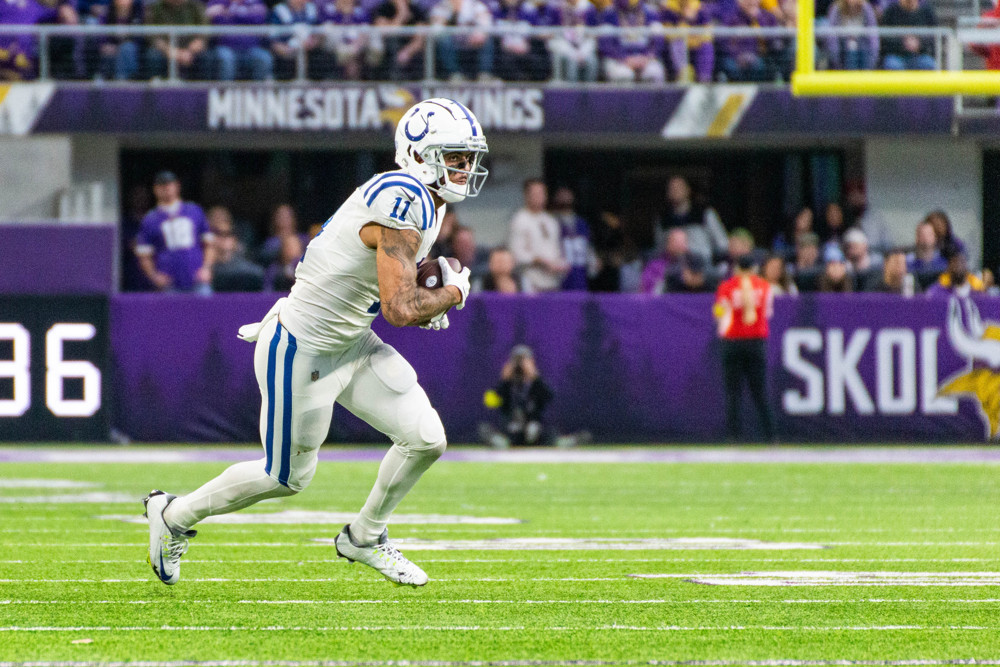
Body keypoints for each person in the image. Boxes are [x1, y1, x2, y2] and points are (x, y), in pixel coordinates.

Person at [143, 98, 488, 588]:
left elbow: (391, 282)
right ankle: (173, 515)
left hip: (351, 341)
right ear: (418, 153)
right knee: (286, 477)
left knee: (426, 439)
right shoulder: (401, 195)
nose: (466, 167)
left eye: (469, 157)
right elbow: (399, 309)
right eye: (454, 156)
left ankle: (364, 537)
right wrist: (451, 293)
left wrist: (425, 285)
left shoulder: (426, 200)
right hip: (301, 349)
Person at [713, 254, 775, 442]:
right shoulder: (764, 287)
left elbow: (719, 311)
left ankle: (734, 438)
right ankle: (770, 437)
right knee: (760, 392)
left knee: (733, 393)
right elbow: (768, 312)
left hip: (733, 341)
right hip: (756, 341)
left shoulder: (726, 287)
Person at [134, 171, 215, 294]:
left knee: (205, 309)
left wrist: (207, 268)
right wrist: (154, 276)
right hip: (169, 283)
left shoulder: (194, 211)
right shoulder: (150, 219)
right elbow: (144, 254)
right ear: (155, 189)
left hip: (197, 279)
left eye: (169, 184)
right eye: (161, 185)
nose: (166, 188)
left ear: (177, 186)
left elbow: (209, 243)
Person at [480, 345, 566, 449]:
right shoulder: (507, 385)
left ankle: (555, 442)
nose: (519, 366)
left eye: (523, 361)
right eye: (517, 361)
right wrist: (503, 381)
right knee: (484, 429)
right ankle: (503, 443)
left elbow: (550, 397)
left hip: (533, 428)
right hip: (510, 427)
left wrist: (535, 377)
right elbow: (490, 402)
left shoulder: (536, 384)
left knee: (548, 431)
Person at [508, 178, 569, 293]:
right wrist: (541, 261)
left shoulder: (551, 221)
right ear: (527, 195)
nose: (539, 196)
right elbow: (517, 254)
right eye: (535, 193)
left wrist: (560, 264)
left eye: (542, 193)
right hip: (531, 283)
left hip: (553, 282)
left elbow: (556, 250)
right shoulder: (520, 220)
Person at [206, 0, 274, 81]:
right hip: (226, 47)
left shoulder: (254, 2)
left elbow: (259, 19)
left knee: (264, 57)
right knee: (226, 58)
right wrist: (245, 15)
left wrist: (231, 14)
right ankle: (225, 90)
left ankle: (258, 91)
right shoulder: (218, 2)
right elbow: (219, 20)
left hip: (251, 49)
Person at [430, 0, 495, 82]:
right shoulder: (442, 6)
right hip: (452, 42)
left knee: (487, 40)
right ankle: (455, 75)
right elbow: (436, 31)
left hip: (471, 40)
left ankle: (484, 75)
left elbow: (487, 24)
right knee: (444, 41)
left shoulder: (474, 4)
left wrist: (480, 33)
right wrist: (448, 17)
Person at [145, 0, 212, 80]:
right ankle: (155, 89)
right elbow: (153, 37)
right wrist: (170, 51)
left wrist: (190, 51)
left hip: (190, 51)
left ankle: (202, 89)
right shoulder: (154, 7)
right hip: (165, 50)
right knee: (152, 55)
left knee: (207, 57)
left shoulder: (197, 6)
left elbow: (203, 34)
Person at [550, 186, 592, 292]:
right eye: (561, 196)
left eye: (567, 195)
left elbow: (588, 248)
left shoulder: (581, 223)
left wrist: (593, 261)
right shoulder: (551, 222)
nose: (565, 199)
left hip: (579, 275)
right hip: (559, 276)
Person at [879, 0, 936, 70]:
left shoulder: (927, 12)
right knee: (892, 65)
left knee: (928, 64)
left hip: (920, 55)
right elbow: (884, 38)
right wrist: (903, 43)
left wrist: (919, 43)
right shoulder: (890, 12)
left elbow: (933, 37)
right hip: (896, 55)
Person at [825, 0, 879, 71]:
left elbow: (873, 34)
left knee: (860, 48)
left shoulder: (866, 8)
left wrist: (873, 54)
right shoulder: (837, 8)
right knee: (851, 49)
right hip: (842, 46)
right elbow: (831, 35)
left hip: (862, 46)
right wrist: (835, 55)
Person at [641, 227, 688, 294]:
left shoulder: (694, 263)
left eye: (683, 242)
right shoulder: (655, 266)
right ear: (668, 244)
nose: (680, 246)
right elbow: (647, 290)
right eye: (676, 242)